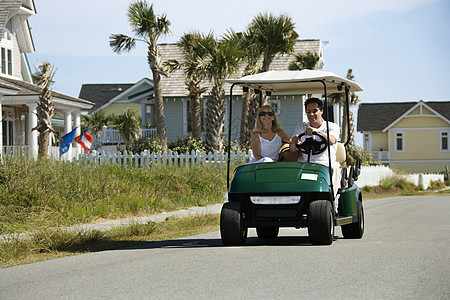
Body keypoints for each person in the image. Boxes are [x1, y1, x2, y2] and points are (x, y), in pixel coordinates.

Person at [289, 97, 341, 209]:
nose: (311, 114)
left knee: (335, 168)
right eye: (308, 111)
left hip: (325, 164)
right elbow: (292, 149)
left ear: (321, 111)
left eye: (314, 111)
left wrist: (317, 132)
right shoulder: (301, 126)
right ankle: (295, 205)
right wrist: (294, 141)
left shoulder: (332, 126)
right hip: (306, 164)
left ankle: (333, 202)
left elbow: (331, 140)